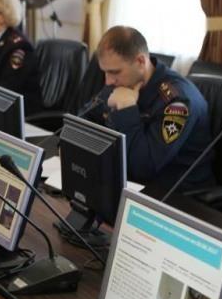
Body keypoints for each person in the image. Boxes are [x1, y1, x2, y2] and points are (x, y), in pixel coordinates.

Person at [80, 26, 214, 191]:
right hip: (128, 181)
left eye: (114, 72)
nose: (108, 81)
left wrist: (126, 109)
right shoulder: (122, 81)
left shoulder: (178, 102)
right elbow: (85, 118)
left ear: (140, 62)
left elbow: (143, 166)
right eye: (105, 72)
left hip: (176, 194)